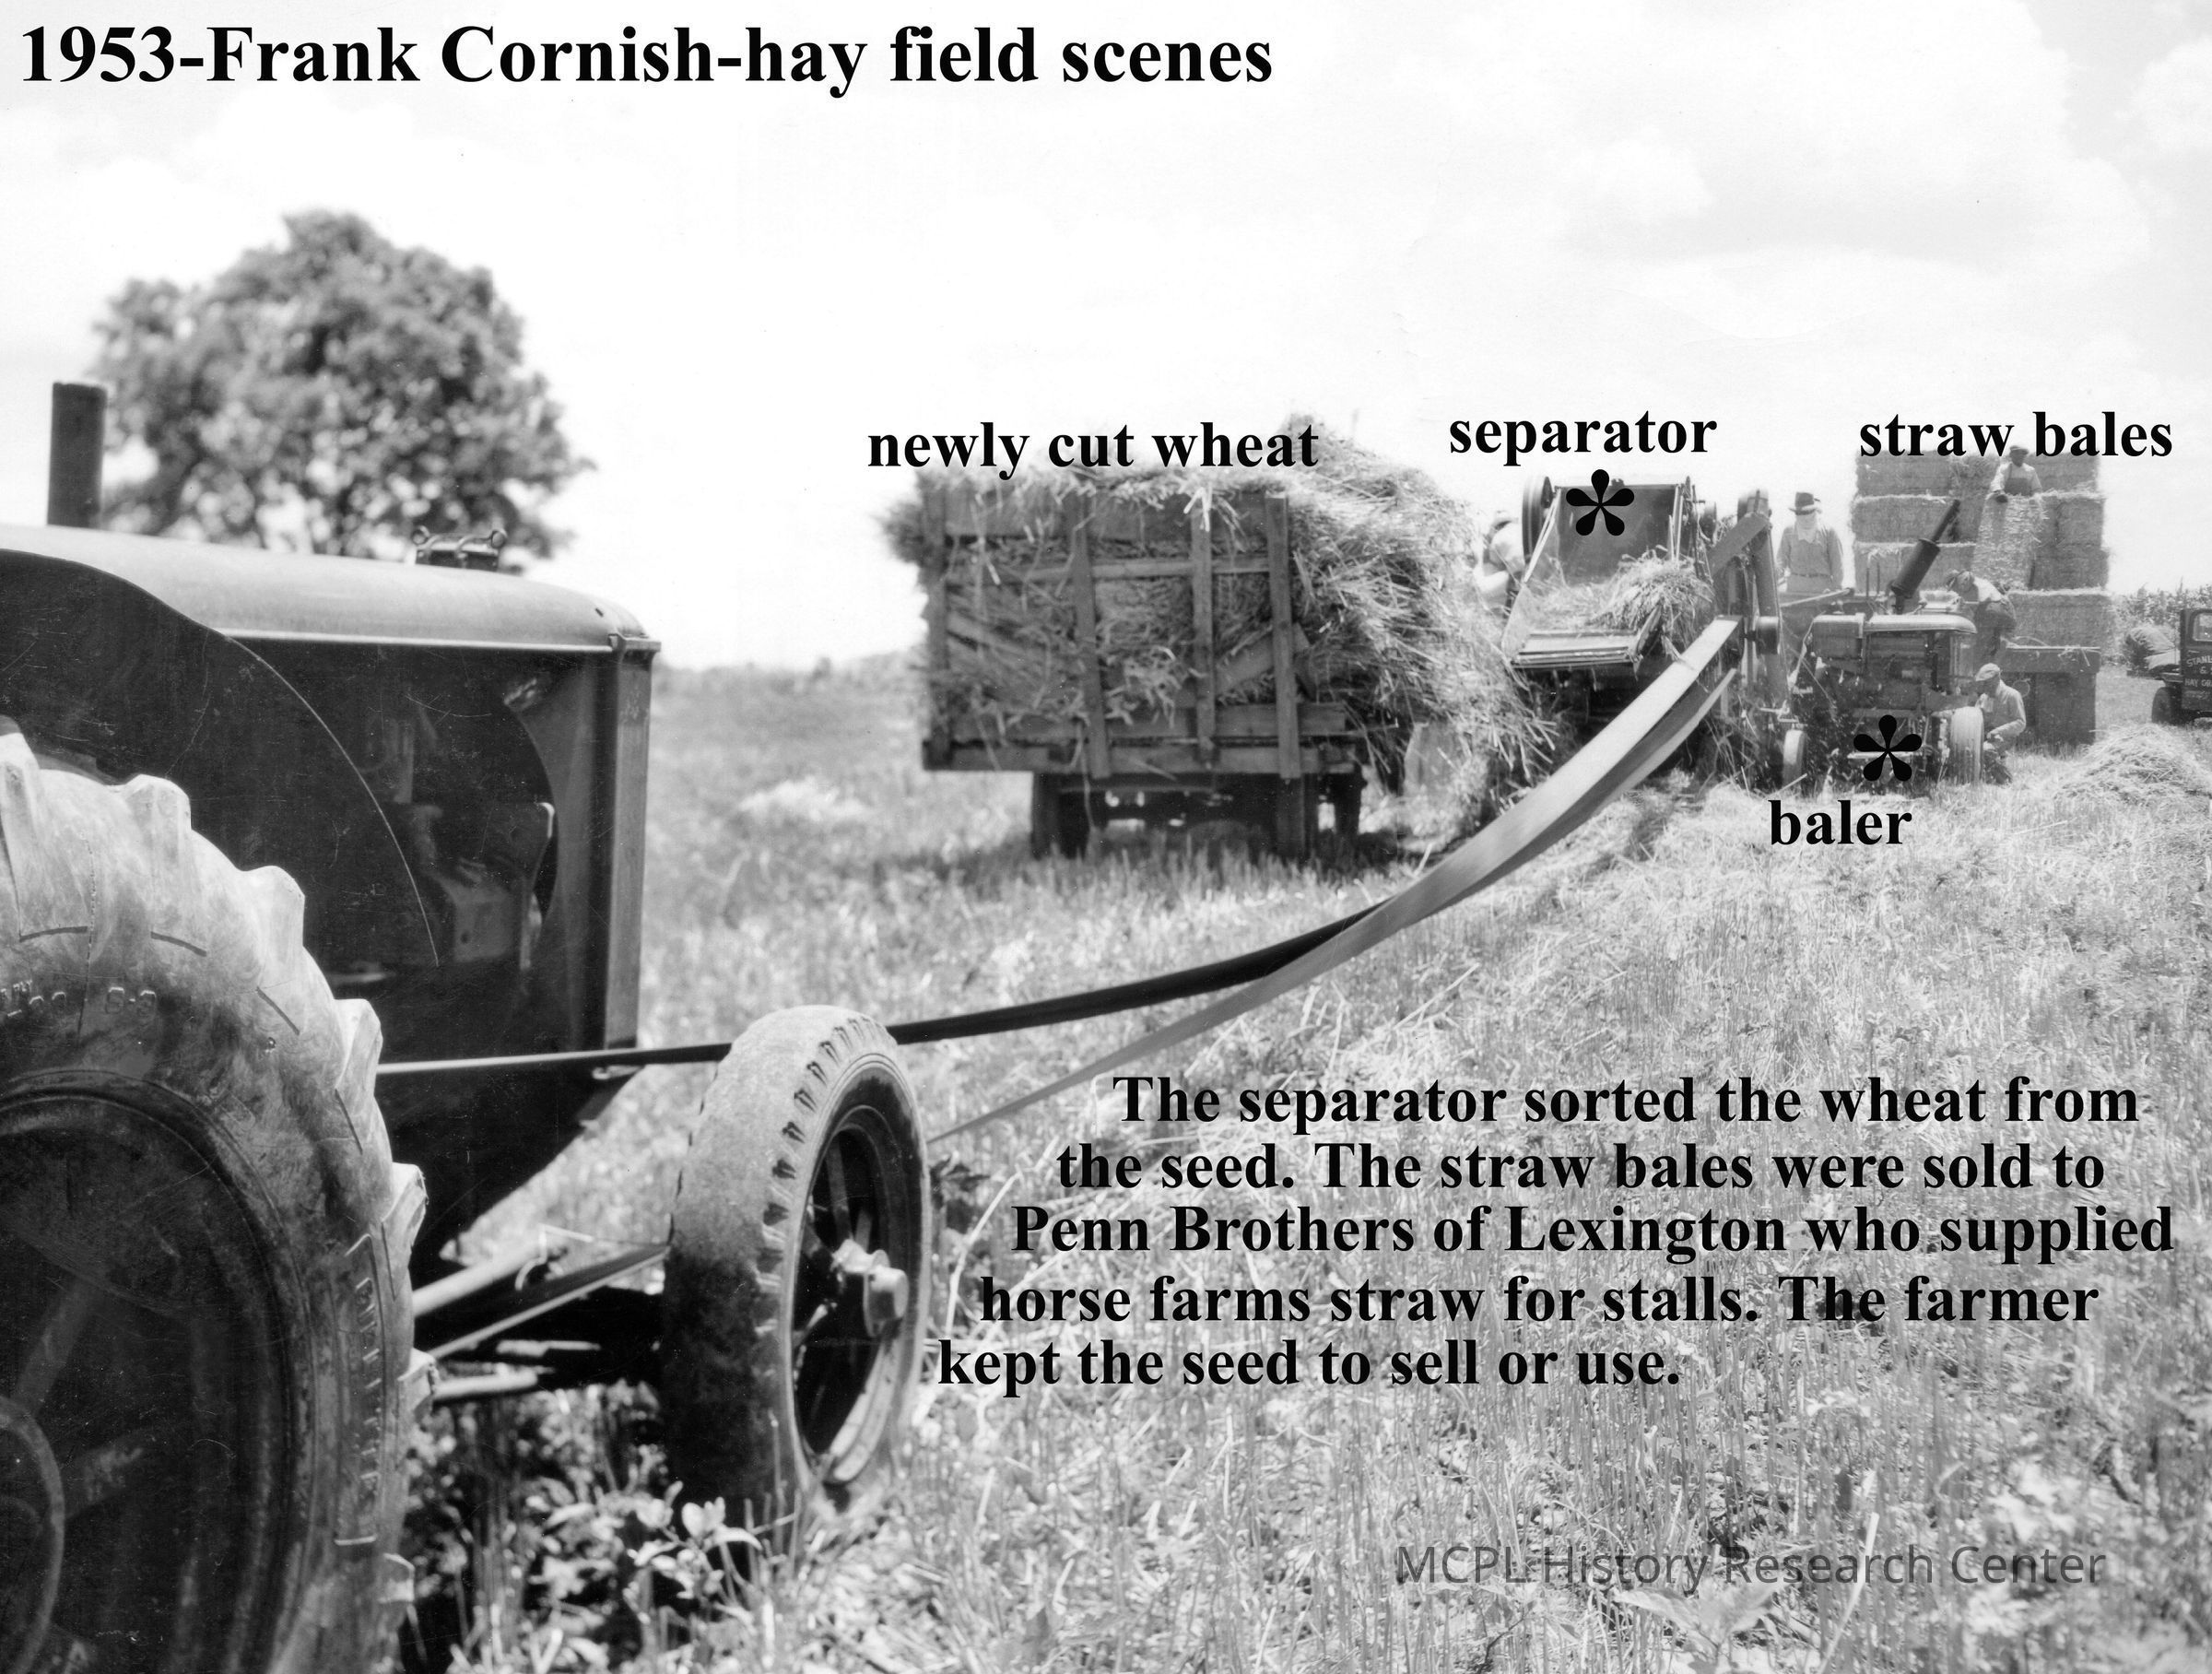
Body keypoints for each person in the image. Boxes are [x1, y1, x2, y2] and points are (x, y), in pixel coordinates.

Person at [1776, 491, 1847, 602]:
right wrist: (1773, 578)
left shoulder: (1829, 532)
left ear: (1814, 511)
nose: (1804, 517)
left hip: (1822, 592)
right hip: (1794, 592)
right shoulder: (1788, 532)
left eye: (1807, 513)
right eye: (1800, 513)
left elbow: (1837, 565)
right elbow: (1781, 560)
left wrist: (1836, 590)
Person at [1946, 568, 2017, 664]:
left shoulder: (1965, 584)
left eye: (1953, 588)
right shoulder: (1978, 581)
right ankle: (1992, 662)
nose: (1955, 591)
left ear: (1955, 583)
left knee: (1980, 645)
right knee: (1994, 642)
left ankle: (1978, 666)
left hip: (1989, 611)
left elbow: (1970, 613)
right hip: (2003, 610)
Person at [1973, 662, 2027, 783]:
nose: (1984, 687)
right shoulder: (1984, 698)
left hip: (2005, 738)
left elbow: (2021, 723)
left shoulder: (2012, 695)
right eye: (1982, 683)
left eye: (1987, 683)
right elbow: (1975, 718)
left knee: (1986, 749)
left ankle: (2005, 781)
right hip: (1986, 736)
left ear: (1997, 679)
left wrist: (1998, 731)